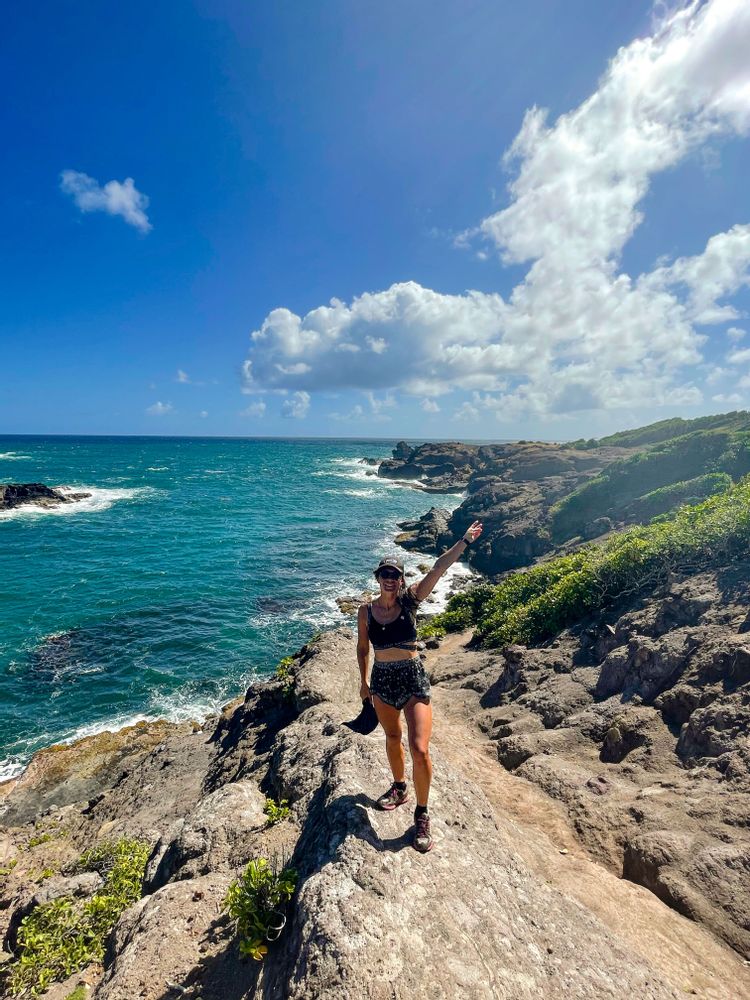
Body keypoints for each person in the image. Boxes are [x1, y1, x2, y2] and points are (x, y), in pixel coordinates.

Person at [357, 520, 483, 852]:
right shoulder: (365, 612)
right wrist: (362, 683)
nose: (389, 579)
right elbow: (362, 648)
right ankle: (400, 788)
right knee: (392, 738)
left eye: (395, 575)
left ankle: (422, 814)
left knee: (420, 748)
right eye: (384, 574)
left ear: (401, 579)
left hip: (412, 677)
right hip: (381, 680)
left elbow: (439, 568)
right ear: (377, 578)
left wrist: (464, 541)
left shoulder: (411, 601)